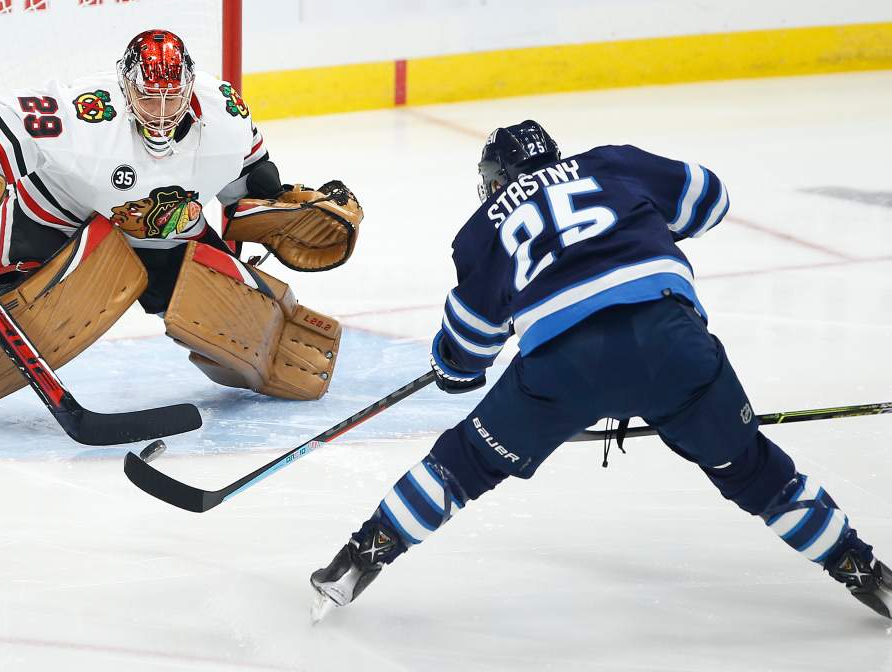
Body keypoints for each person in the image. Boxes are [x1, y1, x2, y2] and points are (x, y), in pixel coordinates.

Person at [309, 120, 891, 620]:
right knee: (755, 472)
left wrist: (450, 364)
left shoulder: (481, 228)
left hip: (564, 372)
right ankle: (862, 569)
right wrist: (645, 225)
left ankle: (359, 559)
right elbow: (710, 198)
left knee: (462, 464)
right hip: (673, 345)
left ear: (493, 180)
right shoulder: (612, 165)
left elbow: (468, 352)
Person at [0, 29, 361, 436]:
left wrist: (277, 209)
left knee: (243, 325)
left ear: (191, 87)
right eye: (149, 95)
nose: (162, 110)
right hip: (60, 220)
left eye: (173, 95)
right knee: (37, 317)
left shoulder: (226, 114)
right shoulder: (87, 116)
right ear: (127, 88)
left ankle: (267, 336)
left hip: (170, 231)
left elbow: (250, 180)